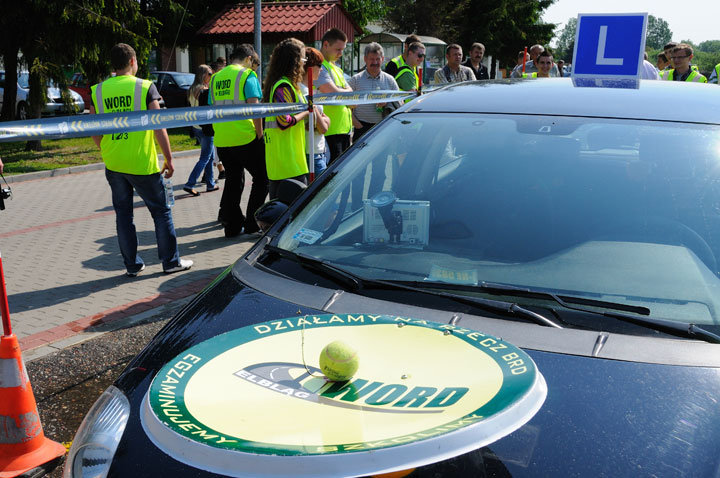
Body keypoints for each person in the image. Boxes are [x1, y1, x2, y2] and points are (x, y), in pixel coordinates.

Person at [90, 43, 192, 276]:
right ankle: (170, 262)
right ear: (132, 61)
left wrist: (105, 148)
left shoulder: (98, 90)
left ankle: (132, 266)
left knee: (124, 215)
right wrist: (169, 158)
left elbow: (93, 128)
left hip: (114, 162)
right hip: (142, 163)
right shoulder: (144, 86)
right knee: (161, 212)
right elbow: (158, 125)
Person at [210, 44, 268, 237]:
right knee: (262, 178)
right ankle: (252, 223)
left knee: (234, 180)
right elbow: (255, 109)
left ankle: (232, 226)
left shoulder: (216, 77)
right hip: (245, 137)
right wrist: (260, 134)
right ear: (249, 59)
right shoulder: (248, 75)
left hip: (222, 139)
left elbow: (211, 106)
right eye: (254, 62)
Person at [262, 38, 311, 199]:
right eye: (303, 59)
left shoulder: (281, 84)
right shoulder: (284, 86)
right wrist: (307, 112)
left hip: (281, 163)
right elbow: (284, 122)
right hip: (289, 163)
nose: (304, 63)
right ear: (294, 61)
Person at [349, 42, 400, 140]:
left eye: (377, 59)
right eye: (371, 59)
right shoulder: (355, 80)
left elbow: (399, 103)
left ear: (382, 59)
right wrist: (357, 124)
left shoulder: (390, 80)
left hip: (383, 128)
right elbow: (346, 105)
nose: (375, 62)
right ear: (365, 59)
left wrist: (387, 103)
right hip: (361, 128)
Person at [317, 28, 353, 164]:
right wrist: (343, 92)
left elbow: (350, 93)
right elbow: (333, 93)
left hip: (343, 130)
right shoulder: (319, 67)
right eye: (338, 49)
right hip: (329, 131)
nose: (341, 53)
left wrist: (342, 92)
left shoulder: (336, 68)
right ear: (326, 45)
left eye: (343, 49)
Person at [183, 64, 218, 196]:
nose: (211, 76)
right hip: (205, 127)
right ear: (203, 75)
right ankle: (190, 183)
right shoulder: (203, 90)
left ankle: (210, 184)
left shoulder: (191, 89)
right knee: (205, 158)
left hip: (195, 126)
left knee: (209, 156)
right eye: (210, 74)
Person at [299, 47, 331, 177]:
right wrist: (324, 121)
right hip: (312, 153)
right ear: (310, 67)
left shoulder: (308, 90)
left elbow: (321, 122)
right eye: (319, 65)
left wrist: (324, 120)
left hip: (317, 151)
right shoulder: (304, 93)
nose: (321, 69)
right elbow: (323, 128)